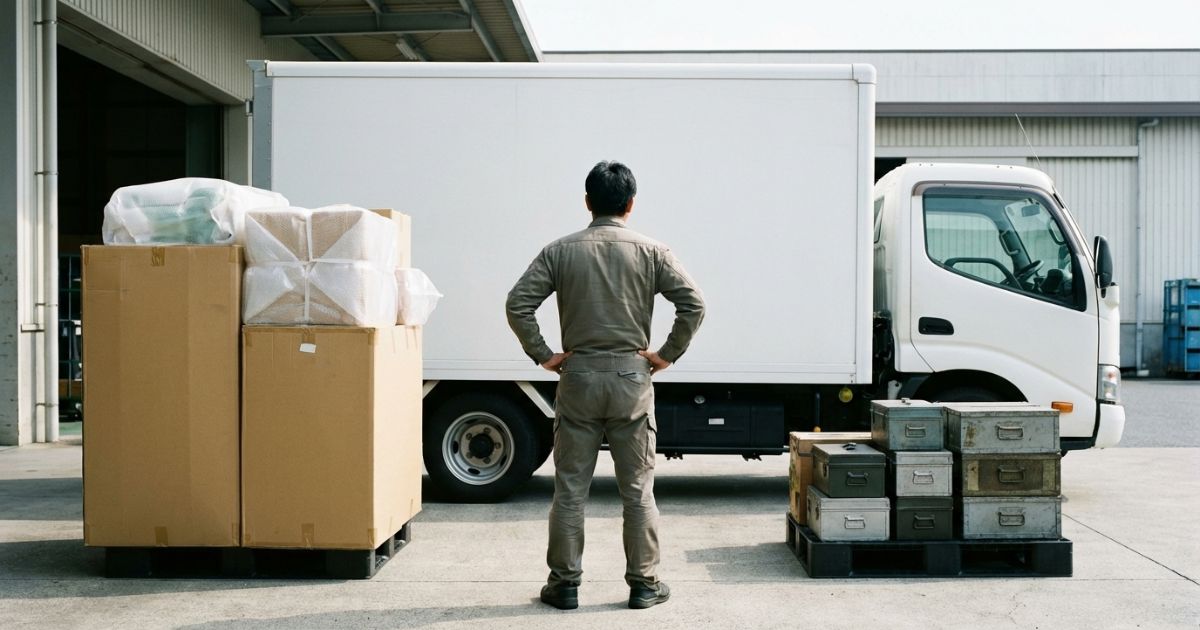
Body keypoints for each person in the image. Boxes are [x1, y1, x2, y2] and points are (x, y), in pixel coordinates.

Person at [505, 160, 705, 610]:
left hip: (577, 379)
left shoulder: (559, 251)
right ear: (630, 204)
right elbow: (693, 304)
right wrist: (665, 355)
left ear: (587, 202)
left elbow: (518, 304)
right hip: (632, 381)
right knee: (637, 490)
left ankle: (564, 584)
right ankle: (644, 584)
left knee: (570, 489)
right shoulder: (653, 252)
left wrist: (545, 354)